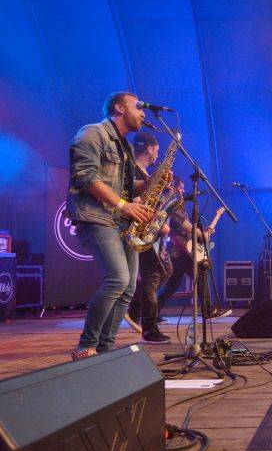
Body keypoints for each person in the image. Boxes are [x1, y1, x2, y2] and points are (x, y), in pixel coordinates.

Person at [67, 92, 154, 360]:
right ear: (119, 107)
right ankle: (85, 345)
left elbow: (125, 188)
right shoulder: (92, 133)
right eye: (138, 106)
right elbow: (86, 177)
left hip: (119, 220)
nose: (143, 112)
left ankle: (105, 349)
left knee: (128, 287)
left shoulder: (124, 146)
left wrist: (150, 184)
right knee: (118, 278)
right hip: (96, 215)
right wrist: (123, 205)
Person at [156, 176, 231, 322]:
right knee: (201, 273)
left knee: (172, 284)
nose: (183, 190)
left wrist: (202, 233)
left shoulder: (178, 206)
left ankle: (153, 313)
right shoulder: (173, 206)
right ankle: (208, 310)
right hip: (181, 250)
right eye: (181, 187)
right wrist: (202, 234)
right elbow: (189, 228)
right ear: (173, 187)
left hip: (180, 250)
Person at [124, 132, 173, 343]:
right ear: (150, 148)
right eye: (158, 149)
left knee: (164, 272)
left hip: (149, 232)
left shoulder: (143, 172)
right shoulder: (133, 170)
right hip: (142, 231)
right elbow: (135, 201)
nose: (158, 154)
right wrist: (158, 220)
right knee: (152, 277)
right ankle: (149, 328)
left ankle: (135, 310)